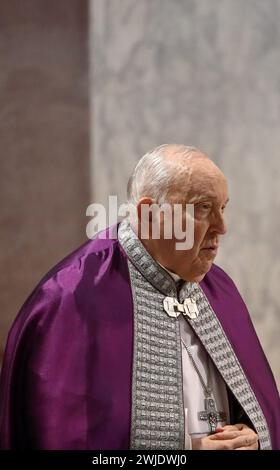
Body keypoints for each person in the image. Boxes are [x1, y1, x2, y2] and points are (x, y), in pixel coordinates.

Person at [0, 144, 279, 450]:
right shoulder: (72, 299)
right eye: (202, 208)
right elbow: (62, 437)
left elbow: (262, 413)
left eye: (222, 208)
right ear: (150, 213)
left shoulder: (220, 290)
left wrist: (254, 437)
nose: (222, 227)